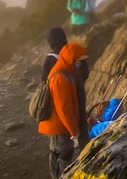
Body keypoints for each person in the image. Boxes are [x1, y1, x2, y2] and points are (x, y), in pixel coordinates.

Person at [38, 42, 88, 179]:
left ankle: (55, 175)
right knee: (65, 152)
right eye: (78, 60)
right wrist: (74, 132)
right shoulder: (61, 77)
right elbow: (63, 108)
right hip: (59, 125)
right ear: (71, 58)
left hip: (56, 124)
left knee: (55, 152)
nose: (79, 64)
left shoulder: (63, 71)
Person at [41, 27, 91, 149]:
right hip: (78, 99)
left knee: (61, 146)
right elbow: (85, 73)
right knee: (82, 133)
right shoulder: (74, 51)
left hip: (56, 111)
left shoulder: (49, 60)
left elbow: (43, 83)